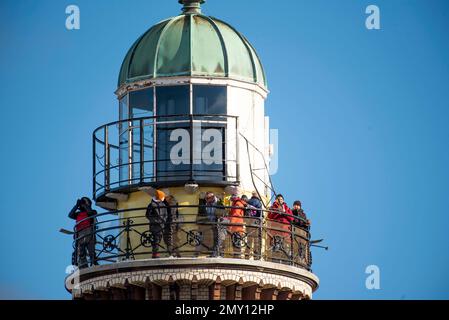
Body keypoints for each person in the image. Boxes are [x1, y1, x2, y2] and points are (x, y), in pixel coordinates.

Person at [68, 197, 98, 269]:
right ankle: (83, 267)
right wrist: (76, 205)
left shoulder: (93, 211)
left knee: (92, 252)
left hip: (89, 235)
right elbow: (70, 215)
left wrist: (83, 205)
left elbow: (90, 213)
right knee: (81, 253)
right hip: (80, 235)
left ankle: (94, 264)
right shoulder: (78, 214)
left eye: (84, 202)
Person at [197, 192, 225, 257]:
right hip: (211, 223)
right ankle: (215, 253)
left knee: (218, 238)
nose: (206, 199)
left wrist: (219, 218)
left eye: (207, 198)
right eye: (206, 198)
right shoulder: (207, 204)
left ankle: (217, 253)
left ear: (212, 198)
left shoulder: (218, 203)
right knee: (214, 239)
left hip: (218, 223)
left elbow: (222, 212)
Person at [145, 190, 168, 258]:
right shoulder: (151, 205)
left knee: (159, 238)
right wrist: (156, 220)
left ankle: (155, 252)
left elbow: (165, 214)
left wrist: (163, 220)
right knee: (156, 238)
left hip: (161, 224)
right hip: (154, 225)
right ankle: (155, 253)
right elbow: (148, 215)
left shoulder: (163, 205)